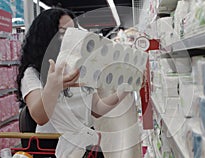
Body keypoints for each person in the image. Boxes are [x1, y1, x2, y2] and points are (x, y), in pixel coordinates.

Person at [16, 8, 130, 157]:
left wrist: (123, 90)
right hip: (51, 147)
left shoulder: (80, 67)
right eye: (63, 32)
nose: (72, 37)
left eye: (74, 31)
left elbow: (96, 109)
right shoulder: (33, 73)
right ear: (46, 37)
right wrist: (53, 86)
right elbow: (40, 116)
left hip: (86, 146)